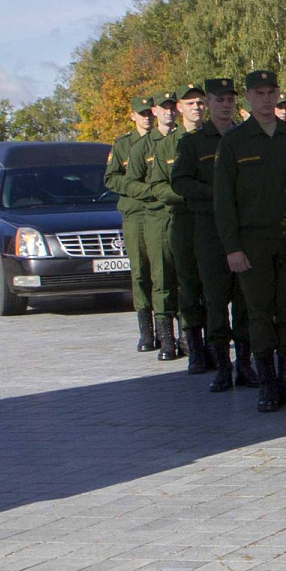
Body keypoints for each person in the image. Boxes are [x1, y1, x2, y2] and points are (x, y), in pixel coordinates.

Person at [216, 69, 286, 413]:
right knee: (259, 313)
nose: (266, 99)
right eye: (259, 94)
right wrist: (232, 247)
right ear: (247, 98)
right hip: (252, 242)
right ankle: (268, 383)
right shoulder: (234, 142)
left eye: (271, 92)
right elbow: (223, 200)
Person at [174, 77, 253, 391]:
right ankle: (222, 365)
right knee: (216, 301)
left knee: (245, 300)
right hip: (208, 230)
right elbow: (180, 182)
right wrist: (217, 192)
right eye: (219, 99)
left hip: (243, 229)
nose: (225, 104)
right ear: (207, 103)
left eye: (230, 99)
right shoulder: (193, 142)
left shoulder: (245, 138)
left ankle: (245, 364)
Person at [159, 83, 210, 372]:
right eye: (190, 103)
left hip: (211, 219)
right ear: (179, 108)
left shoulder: (215, 138)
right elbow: (158, 187)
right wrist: (196, 192)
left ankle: (216, 347)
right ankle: (194, 347)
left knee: (215, 287)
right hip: (183, 219)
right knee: (189, 284)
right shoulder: (166, 144)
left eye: (200, 102)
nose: (197, 108)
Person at [105, 95, 159, 351]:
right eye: (142, 113)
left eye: (150, 112)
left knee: (164, 272)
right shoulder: (123, 145)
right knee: (140, 272)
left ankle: (168, 330)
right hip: (136, 213)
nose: (147, 117)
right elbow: (111, 178)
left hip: (159, 212)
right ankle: (146, 331)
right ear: (132, 116)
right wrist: (134, 188)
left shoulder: (162, 140)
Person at [137, 92, 183, 360]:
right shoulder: (143, 146)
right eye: (163, 109)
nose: (168, 113)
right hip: (156, 216)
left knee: (187, 278)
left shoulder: (184, 140)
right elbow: (125, 181)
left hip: (183, 214)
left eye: (171, 109)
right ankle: (166, 338)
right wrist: (155, 191)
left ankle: (189, 335)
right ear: (154, 112)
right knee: (162, 277)